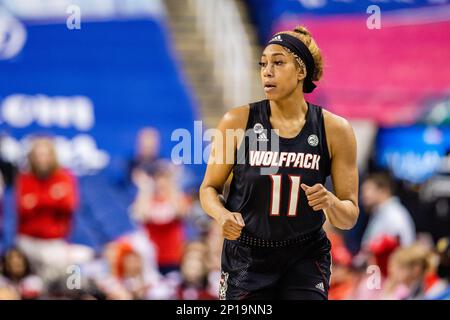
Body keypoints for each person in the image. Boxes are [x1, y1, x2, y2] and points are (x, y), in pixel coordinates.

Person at [199, 26, 359, 300]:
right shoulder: (237, 121)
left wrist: (330, 202)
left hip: (305, 255)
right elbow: (208, 189)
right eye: (263, 64)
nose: (267, 71)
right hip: (248, 255)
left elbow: (349, 216)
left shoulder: (335, 129)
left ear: (301, 72)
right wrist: (222, 215)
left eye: (278, 62)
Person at [15, 137, 93, 284]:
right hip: (28, 242)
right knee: (30, 273)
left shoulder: (64, 177)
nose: (42, 159)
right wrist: (52, 196)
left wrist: (37, 200)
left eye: (46, 155)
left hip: (55, 242)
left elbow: (69, 205)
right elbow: (24, 209)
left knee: (75, 268)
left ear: (53, 156)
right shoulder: (25, 179)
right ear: (32, 157)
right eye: (38, 155)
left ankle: (72, 292)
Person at [361, 171, 416, 248]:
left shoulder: (394, 214)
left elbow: (399, 248)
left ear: (384, 190)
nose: (363, 195)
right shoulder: (379, 213)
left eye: (367, 190)